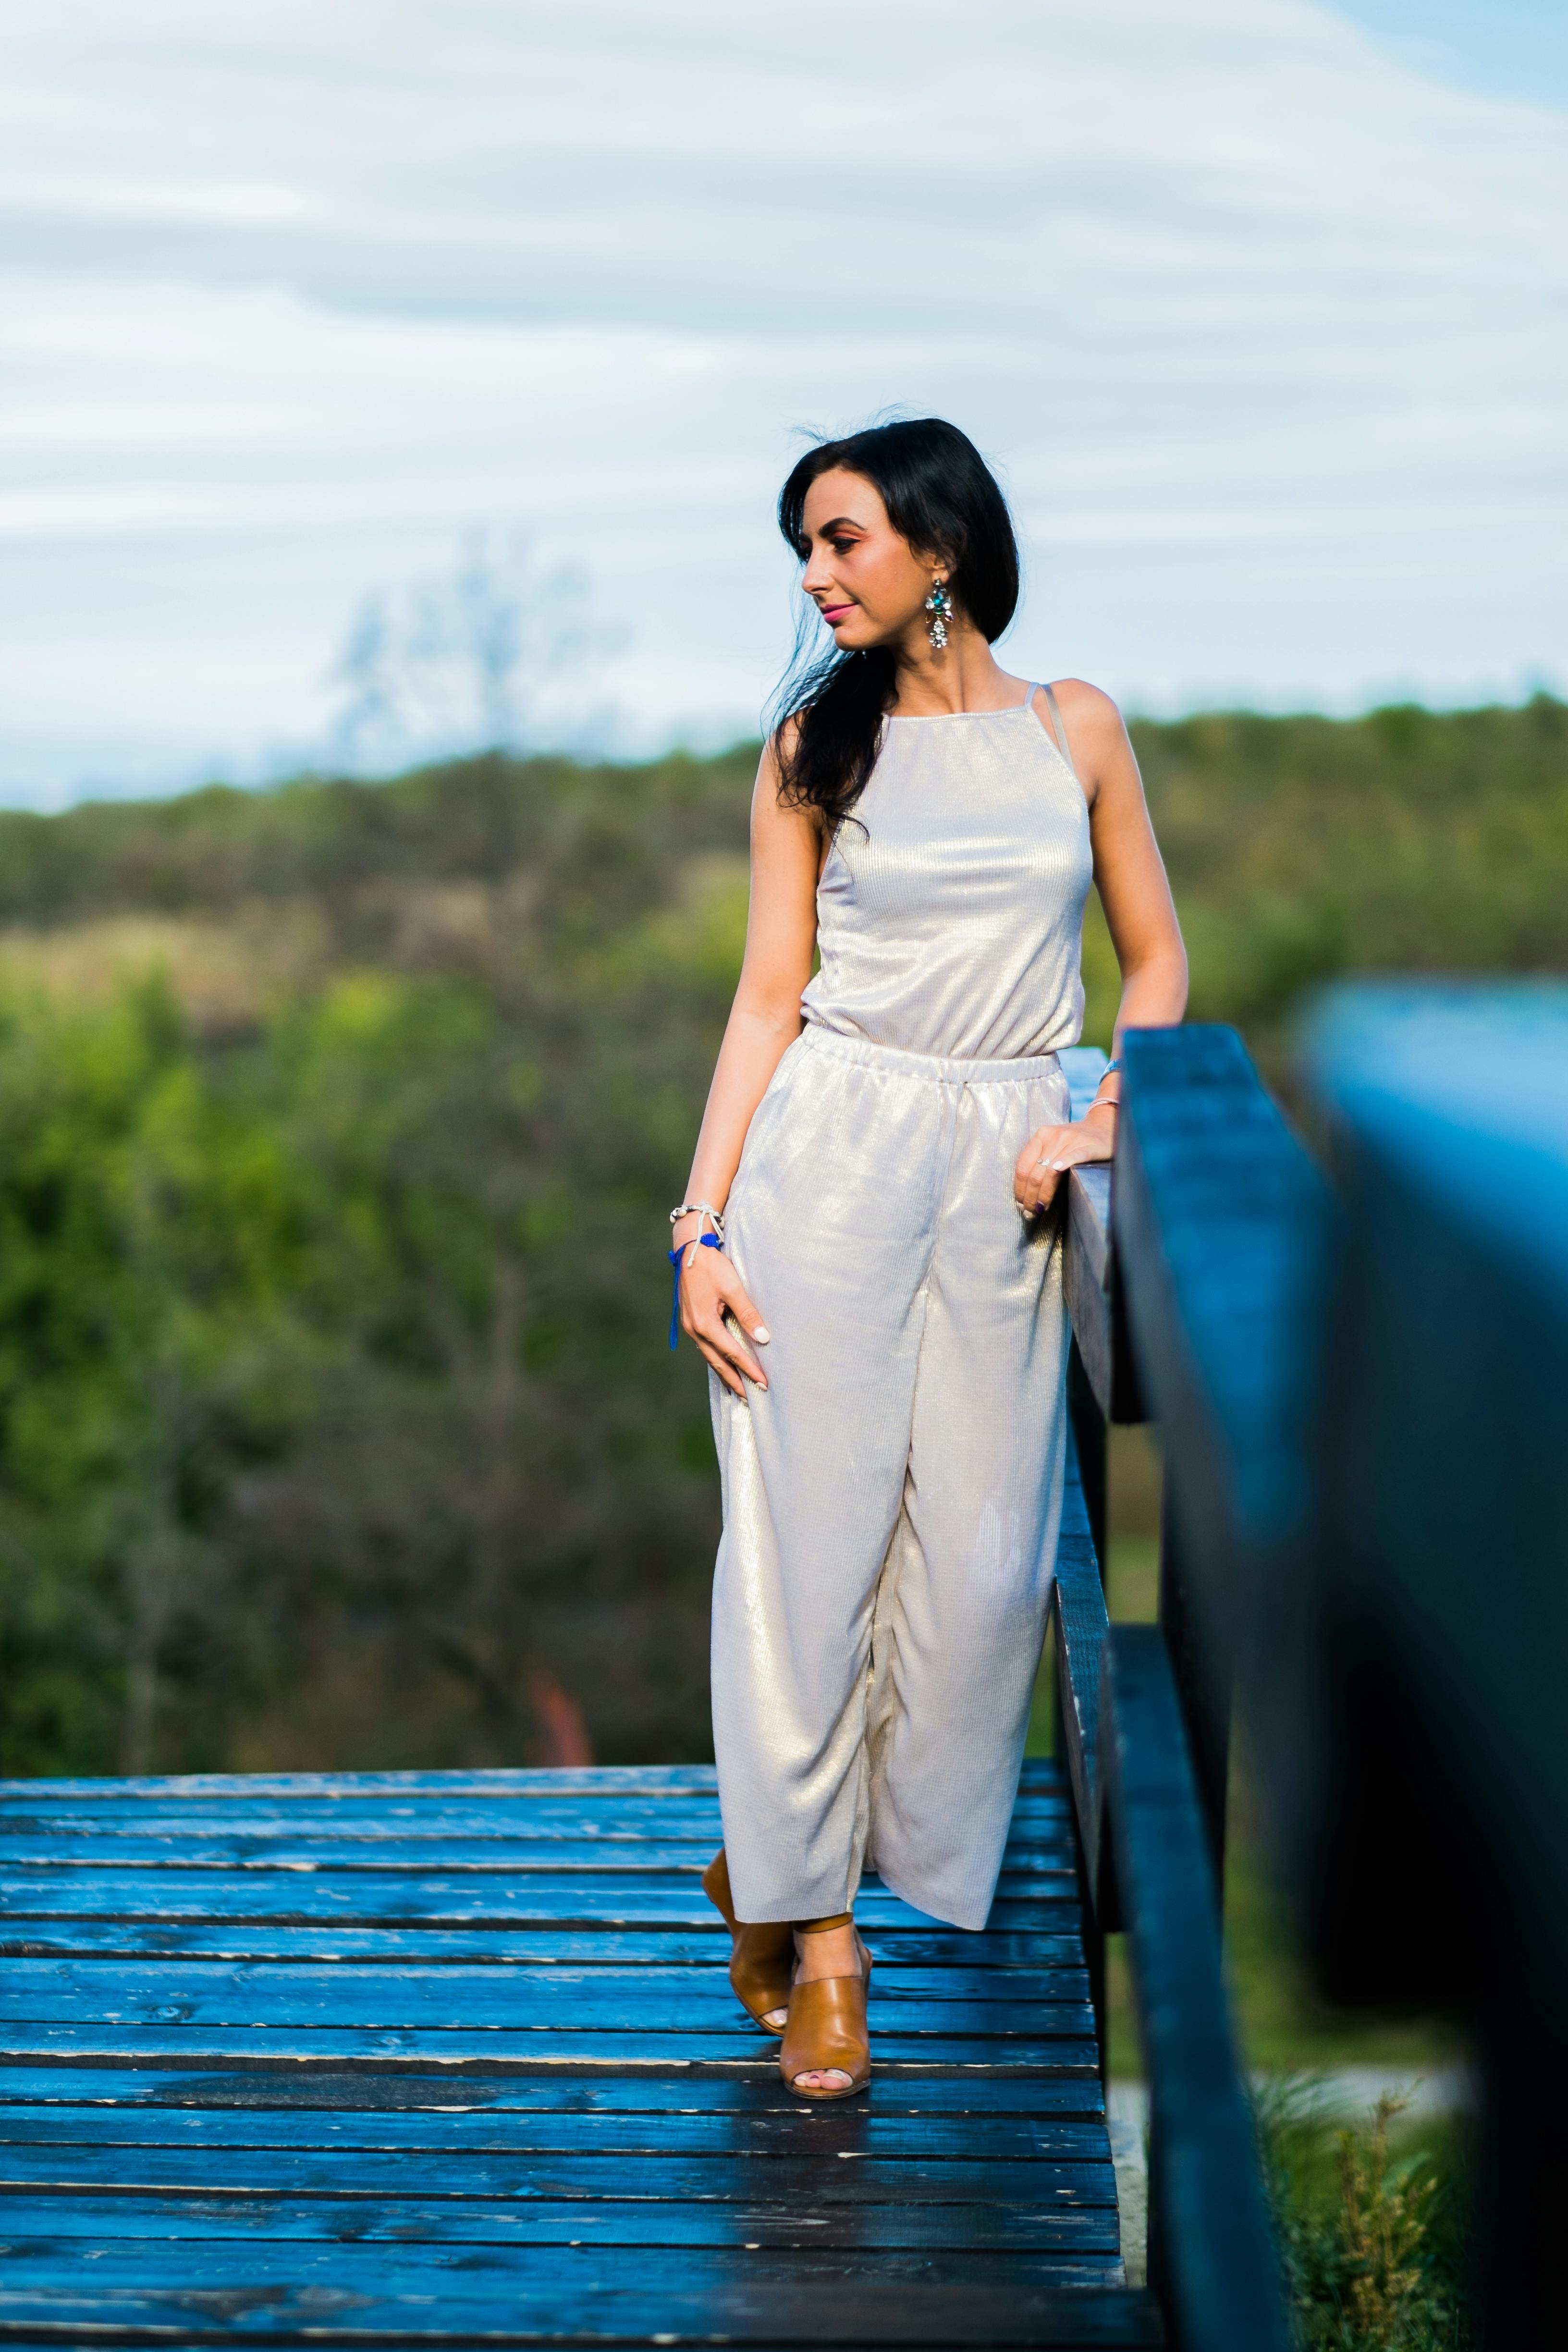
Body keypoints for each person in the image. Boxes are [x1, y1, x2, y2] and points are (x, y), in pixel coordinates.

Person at [670, 418, 1188, 2099]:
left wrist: (1104, 1110)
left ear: (938, 545)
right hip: (828, 1159)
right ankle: (821, 1942)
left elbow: (1157, 962)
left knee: (976, 1580)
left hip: (1009, 1180)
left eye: (841, 541)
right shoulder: (811, 751)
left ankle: (777, 1859)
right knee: (805, 1560)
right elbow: (766, 999)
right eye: (803, 553)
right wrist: (702, 1224)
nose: (816, 578)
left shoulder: (1078, 730)